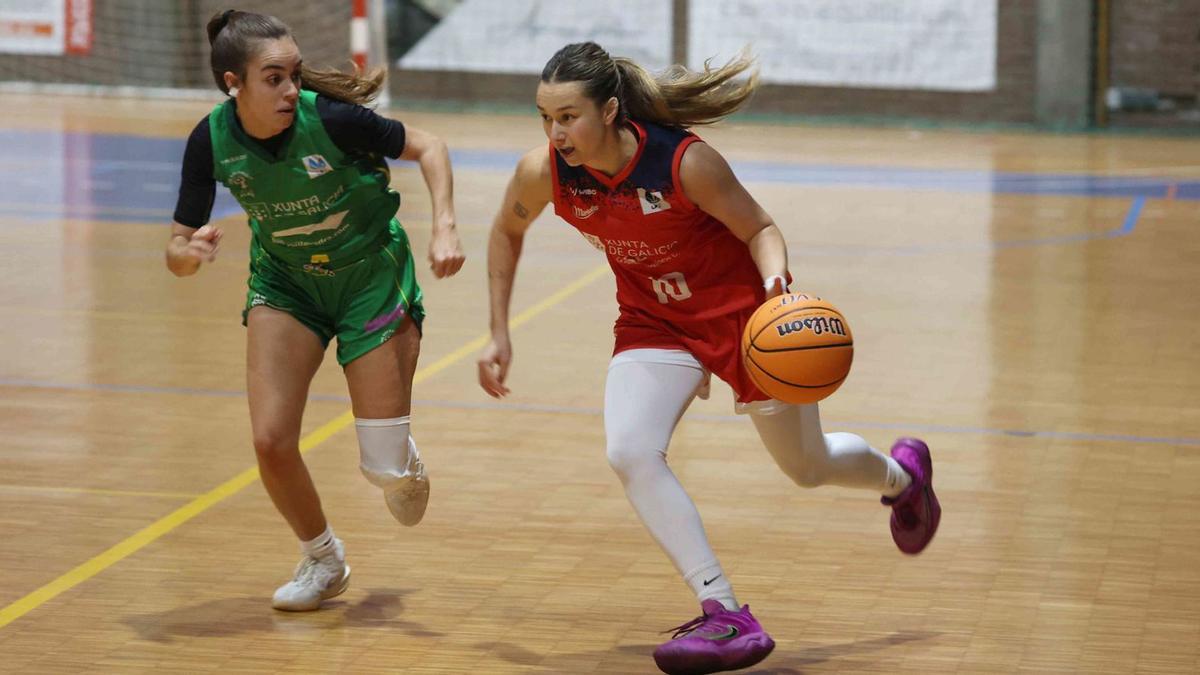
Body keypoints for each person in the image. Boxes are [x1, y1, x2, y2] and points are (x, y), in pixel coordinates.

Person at [476, 42, 940, 675]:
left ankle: (904, 479)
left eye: (569, 117)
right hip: (654, 322)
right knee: (629, 451)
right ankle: (724, 612)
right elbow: (506, 228)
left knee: (807, 467)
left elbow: (761, 228)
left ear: (610, 110)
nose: (556, 133)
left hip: (744, 323)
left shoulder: (686, 163)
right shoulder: (546, 173)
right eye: (545, 117)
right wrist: (498, 331)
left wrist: (779, 286)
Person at [168, 10, 464, 612]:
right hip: (286, 283)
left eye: (294, 74)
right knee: (271, 440)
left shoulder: (331, 119)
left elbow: (429, 146)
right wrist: (188, 253)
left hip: (369, 279)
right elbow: (175, 249)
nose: (289, 89)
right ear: (234, 83)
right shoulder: (210, 140)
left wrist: (445, 228)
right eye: (272, 77)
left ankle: (400, 461)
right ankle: (323, 559)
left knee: (383, 472)